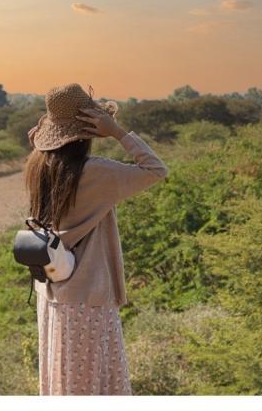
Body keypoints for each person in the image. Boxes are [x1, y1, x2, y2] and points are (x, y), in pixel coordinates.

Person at [24, 83, 168, 395]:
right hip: (87, 296)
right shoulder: (96, 172)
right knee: (90, 383)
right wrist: (118, 132)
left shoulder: (39, 166)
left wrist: (42, 138)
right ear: (87, 133)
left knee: (63, 381)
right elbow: (156, 170)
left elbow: (38, 145)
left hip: (51, 289)